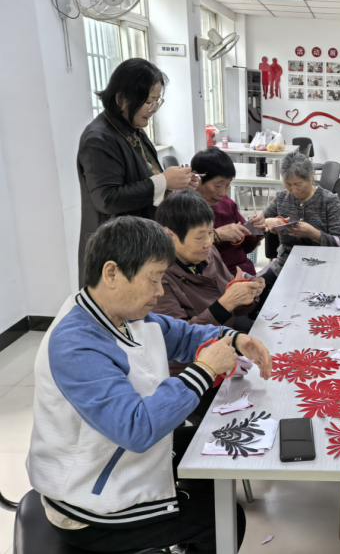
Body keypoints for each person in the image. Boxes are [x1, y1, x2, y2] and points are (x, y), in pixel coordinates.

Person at [27, 216, 273, 553]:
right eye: (154, 279)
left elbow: (182, 334)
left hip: (116, 459)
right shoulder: (76, 345)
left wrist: (233, 338)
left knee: (215, 449)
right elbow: (136, 429)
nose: (159, 291)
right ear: (111, 273)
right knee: (224, 520)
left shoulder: (121, 313)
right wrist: (203, 370)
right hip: (91, 501)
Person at [77, 58, 195, 286]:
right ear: (122, 98)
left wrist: (176, 185)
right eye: (149, 101)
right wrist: (163, 181)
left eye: (157, 101)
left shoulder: (133, 129)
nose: (154, 109)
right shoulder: (99, 138)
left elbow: (145, 179)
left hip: (141, 240)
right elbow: (107, 199)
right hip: (116, 249)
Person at [153, 190, 265, 338]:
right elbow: (178, 339)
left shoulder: (209, 253)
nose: (209, 242)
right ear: (170, 235)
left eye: (211, 233)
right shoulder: (156, 277)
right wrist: (225, 304)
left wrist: (248, 294)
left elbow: (236, 310)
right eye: (199, 238)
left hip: (225, 336)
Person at [252, 152, 340, 278]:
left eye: (297, 184)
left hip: (322, 264)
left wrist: (314, 234)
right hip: (286, 263)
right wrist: (266, 223)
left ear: (311, 176)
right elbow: (252, 231)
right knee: (257, 286)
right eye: (288, 184)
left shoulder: (328, 200)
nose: (293, 190)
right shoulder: (281, 198)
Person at [192, 146, 265, 276]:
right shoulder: (183, 209)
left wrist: (253, 231)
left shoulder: (227, 203)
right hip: (213, 278)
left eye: (227, 186)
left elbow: (245, 248)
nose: (222, 193)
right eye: (217, 186)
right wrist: (216, 235)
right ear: (197, 178)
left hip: (243, 272)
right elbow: (183, 253)